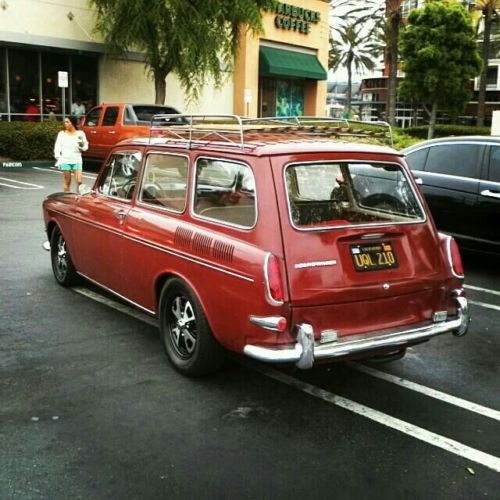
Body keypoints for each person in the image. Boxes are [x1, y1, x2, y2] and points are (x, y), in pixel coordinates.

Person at [53, 115, 89, 192]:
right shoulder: (62, 134)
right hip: (65, 160)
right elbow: (57, 146)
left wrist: (82, 145)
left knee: (79, 181)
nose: (65, 124)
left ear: (72, 123)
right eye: (65, 122)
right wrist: (58, 158)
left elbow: (85, 147)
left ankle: (78, 198)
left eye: (67, 122)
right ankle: (67, 199)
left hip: (77, 159)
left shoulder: (80, 133)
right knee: (67, 182)